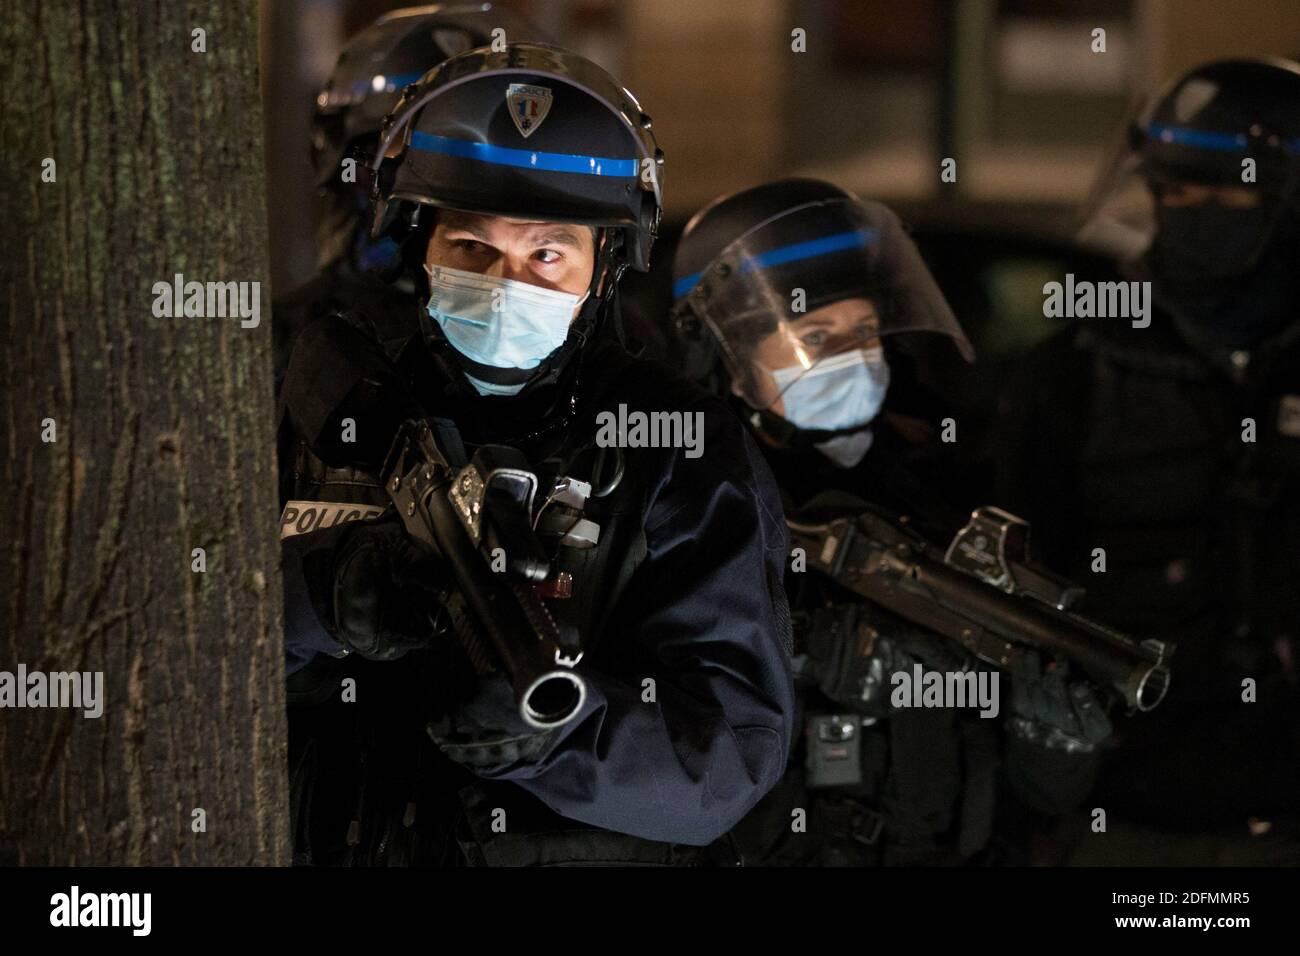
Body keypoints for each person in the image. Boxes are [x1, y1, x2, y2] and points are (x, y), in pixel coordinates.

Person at [279, 42, 795, 866]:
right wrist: (321, 596)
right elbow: (173, 645)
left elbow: (730, 757)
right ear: (423, 249)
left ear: (602, 272)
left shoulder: (682, 449)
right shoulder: (331, 409)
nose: (508, 281)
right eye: (472, 248)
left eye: (547, 254)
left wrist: (555, 739)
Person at [669, 179, 1110, 865]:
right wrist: (814, 649)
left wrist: (1053, 742)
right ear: (729, 360)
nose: (851, 356)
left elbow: (1026, 798)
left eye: (865, 330)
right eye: (815, 335)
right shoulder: (688, 507)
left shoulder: (948, 497)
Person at [995, 57, 1300, 864]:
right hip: (1126, 823)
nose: (1187, 214)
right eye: (1172, 192)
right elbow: (1014, 587)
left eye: (1223, 195)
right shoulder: (1078, 370)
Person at [273, 3, 547, 379]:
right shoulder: (292, 339)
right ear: (355, 162)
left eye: (476, 154)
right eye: (418, 150)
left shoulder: (581, 338)